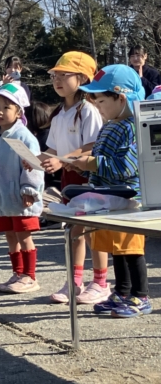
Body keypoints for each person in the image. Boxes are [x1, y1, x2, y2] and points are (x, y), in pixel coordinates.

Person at [69, 64, 152, 317]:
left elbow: (127, 166)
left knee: (131, 250)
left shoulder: (132, 127)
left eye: (102, 100)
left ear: (121, 98)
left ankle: (141, 296)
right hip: (108, 198)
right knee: (116, 249)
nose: (97, 105)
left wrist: (93, 163)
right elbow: (101, 165)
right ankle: (122, 291)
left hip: (129, 201)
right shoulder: (110, 125)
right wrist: (83, 167)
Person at [40, 51, 106, 305]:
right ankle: (74, 281)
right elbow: (53, 148)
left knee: (92, 230)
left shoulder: (88, 109)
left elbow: (92, 145)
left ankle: (100, 282)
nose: (57, 80)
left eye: (63, 75)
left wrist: (61, 159)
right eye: (54, 75)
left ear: (83, 78)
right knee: (72, 230)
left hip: (88, 176)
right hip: (69, 179)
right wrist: (35, 158)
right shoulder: (59, 113)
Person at [0, 83, 44, 294]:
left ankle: (30, 276)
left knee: (23, 236)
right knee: (10, 235)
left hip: (18, 198)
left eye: (6, 107)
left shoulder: (22, 137)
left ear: (19, 112)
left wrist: (29, 190)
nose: (0, 112)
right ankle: (18, 273)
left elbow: (33, 166)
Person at [25, 101, 63, 226]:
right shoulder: (49, 134)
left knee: (24, 202)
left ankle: (56, 217)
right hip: (56, 186)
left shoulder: (43, 138)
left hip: (54, 188)